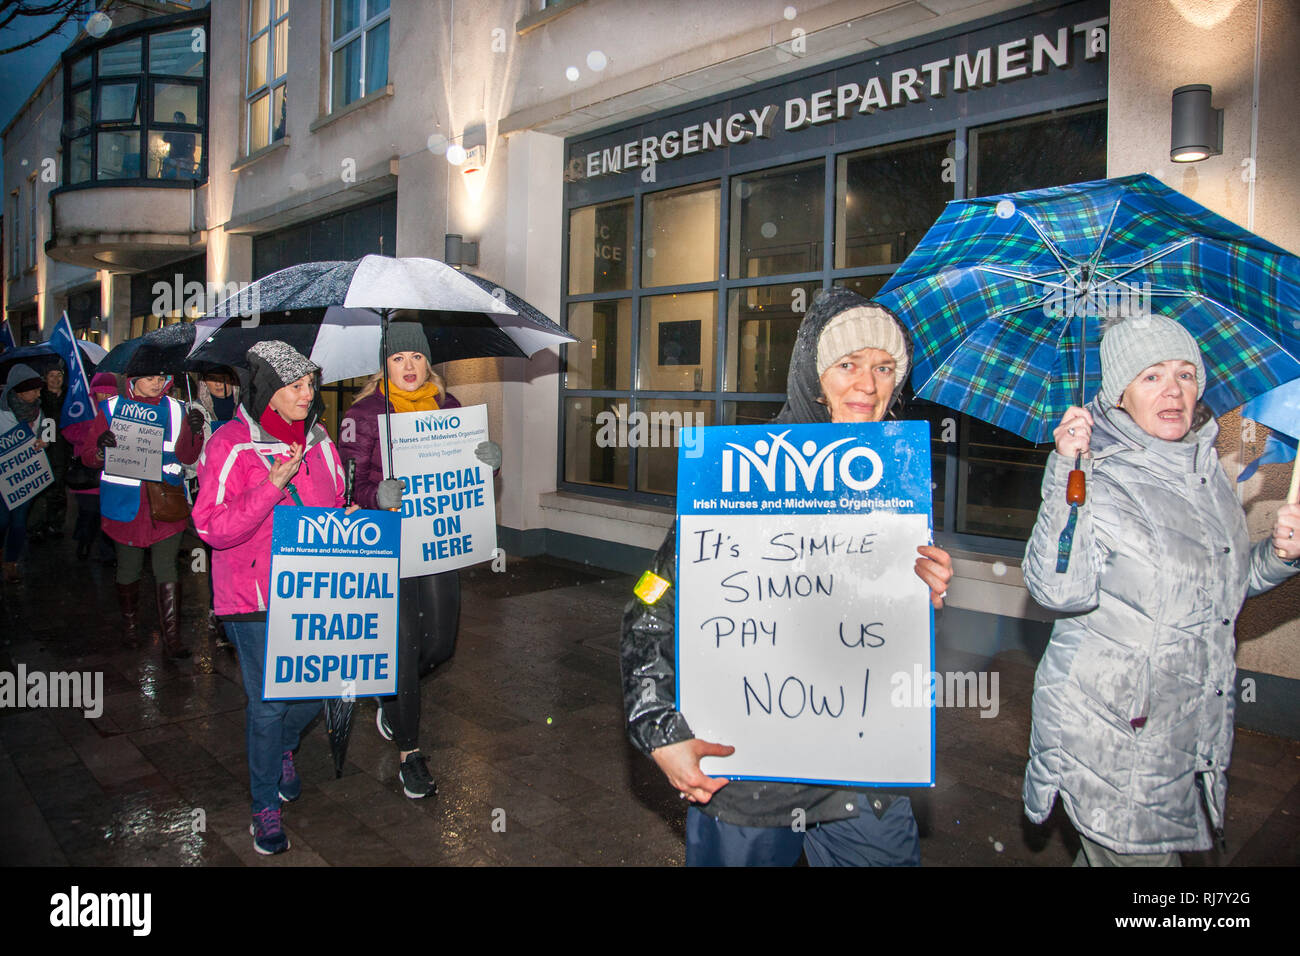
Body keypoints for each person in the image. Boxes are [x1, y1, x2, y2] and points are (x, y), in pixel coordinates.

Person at [621, 289, 953, 866]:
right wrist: (658, 727)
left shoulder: (898, 481)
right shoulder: (735, 474)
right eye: (847, 364)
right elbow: (650, 601)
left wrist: (920, 596)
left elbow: (869, 623)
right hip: (751, 779)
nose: (868, 386)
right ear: (814, 376)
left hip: (864, 775)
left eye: (883, 368)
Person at [1021, 314, 1300, 867]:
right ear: (1119, 393)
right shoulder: (1096, 473)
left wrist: (1282, 555)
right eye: (1151, 377)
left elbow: (1223, 590)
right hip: (1113, 734)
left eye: (1185, 374)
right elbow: (1057, 590)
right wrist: (1065, 474)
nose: (1174, 390)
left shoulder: (1204, 469)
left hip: (1185, 723)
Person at [192, 340, 351, 855]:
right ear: (267, 394)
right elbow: (211, 527)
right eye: (295, 386)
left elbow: (336, 503)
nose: (308, 394)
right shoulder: (229, 444)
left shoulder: (322, 439)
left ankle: (283, 746)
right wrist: (268, 488)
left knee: (323, 690)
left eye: (310, 384)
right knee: (268, 703)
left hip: (313, 593)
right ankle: (264, 807)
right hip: (253, 599)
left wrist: (358, 512)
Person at [339, 321, 500, 799]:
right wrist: (375, 496)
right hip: (386, 548)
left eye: (416, 358)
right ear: (383, 365)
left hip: (436, 544)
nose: (408, 367)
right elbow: (346, 488)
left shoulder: (448, 407)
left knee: (440, 647)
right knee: (404, 651)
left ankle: (389, 698)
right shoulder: (364, 413)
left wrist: (489, 462)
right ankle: (411, 752)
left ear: (428, 362)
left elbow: (465, 478)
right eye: (397, 358)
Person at [82, 345, 205, 658]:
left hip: (166, 503)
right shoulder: (110, 408)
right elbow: (88, 457)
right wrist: (101, 447)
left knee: (167, 569)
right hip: (125, 505)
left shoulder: (178, 409)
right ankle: (131, 627)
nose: (156, 381)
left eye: (161, 375)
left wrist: (195, 433)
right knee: (129, 568)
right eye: (149, 376)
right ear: (132, 378)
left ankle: (172, 638)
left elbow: (188, 456)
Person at [186, 366, 241, 645]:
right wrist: (194, 434)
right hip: (210, 491)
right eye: (212, 379)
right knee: (217, 553)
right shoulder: (196, 410)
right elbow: (188, 463)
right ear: (203, 382)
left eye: (224, 378)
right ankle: (217, 609)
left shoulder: (244, 406)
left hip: (239, 490)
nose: (219, 384)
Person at [0, 364, 50, 582]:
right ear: (19, 390)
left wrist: (45, 442)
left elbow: (50, 434)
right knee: (2, 521)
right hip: (3, 479)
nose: (39, 394)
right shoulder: (1, 413)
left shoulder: (40, 411)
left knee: (19, 522)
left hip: (25, 478)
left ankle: (11, 562)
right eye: (34, 390)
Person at [64, 372, 121, 561]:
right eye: (100, 393)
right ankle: (84, 542)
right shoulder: (82, 409)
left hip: (110, 472)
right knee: (88, 512)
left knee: (107, 513)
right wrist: (92, 436)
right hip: (87, 471)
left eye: (109, 393)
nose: (104, 397)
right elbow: (68, 431)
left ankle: (107, 551)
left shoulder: (118, 410)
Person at [28, 365, 69, 539]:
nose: (55, 379)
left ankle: (55, 524)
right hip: (43, 449)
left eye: (58, 375)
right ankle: (36, 526)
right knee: (41, 491)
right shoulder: (39, 397)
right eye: (51, 375)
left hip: (63, 449)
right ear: (45, 378)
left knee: (59, 490)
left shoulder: (70, 397)